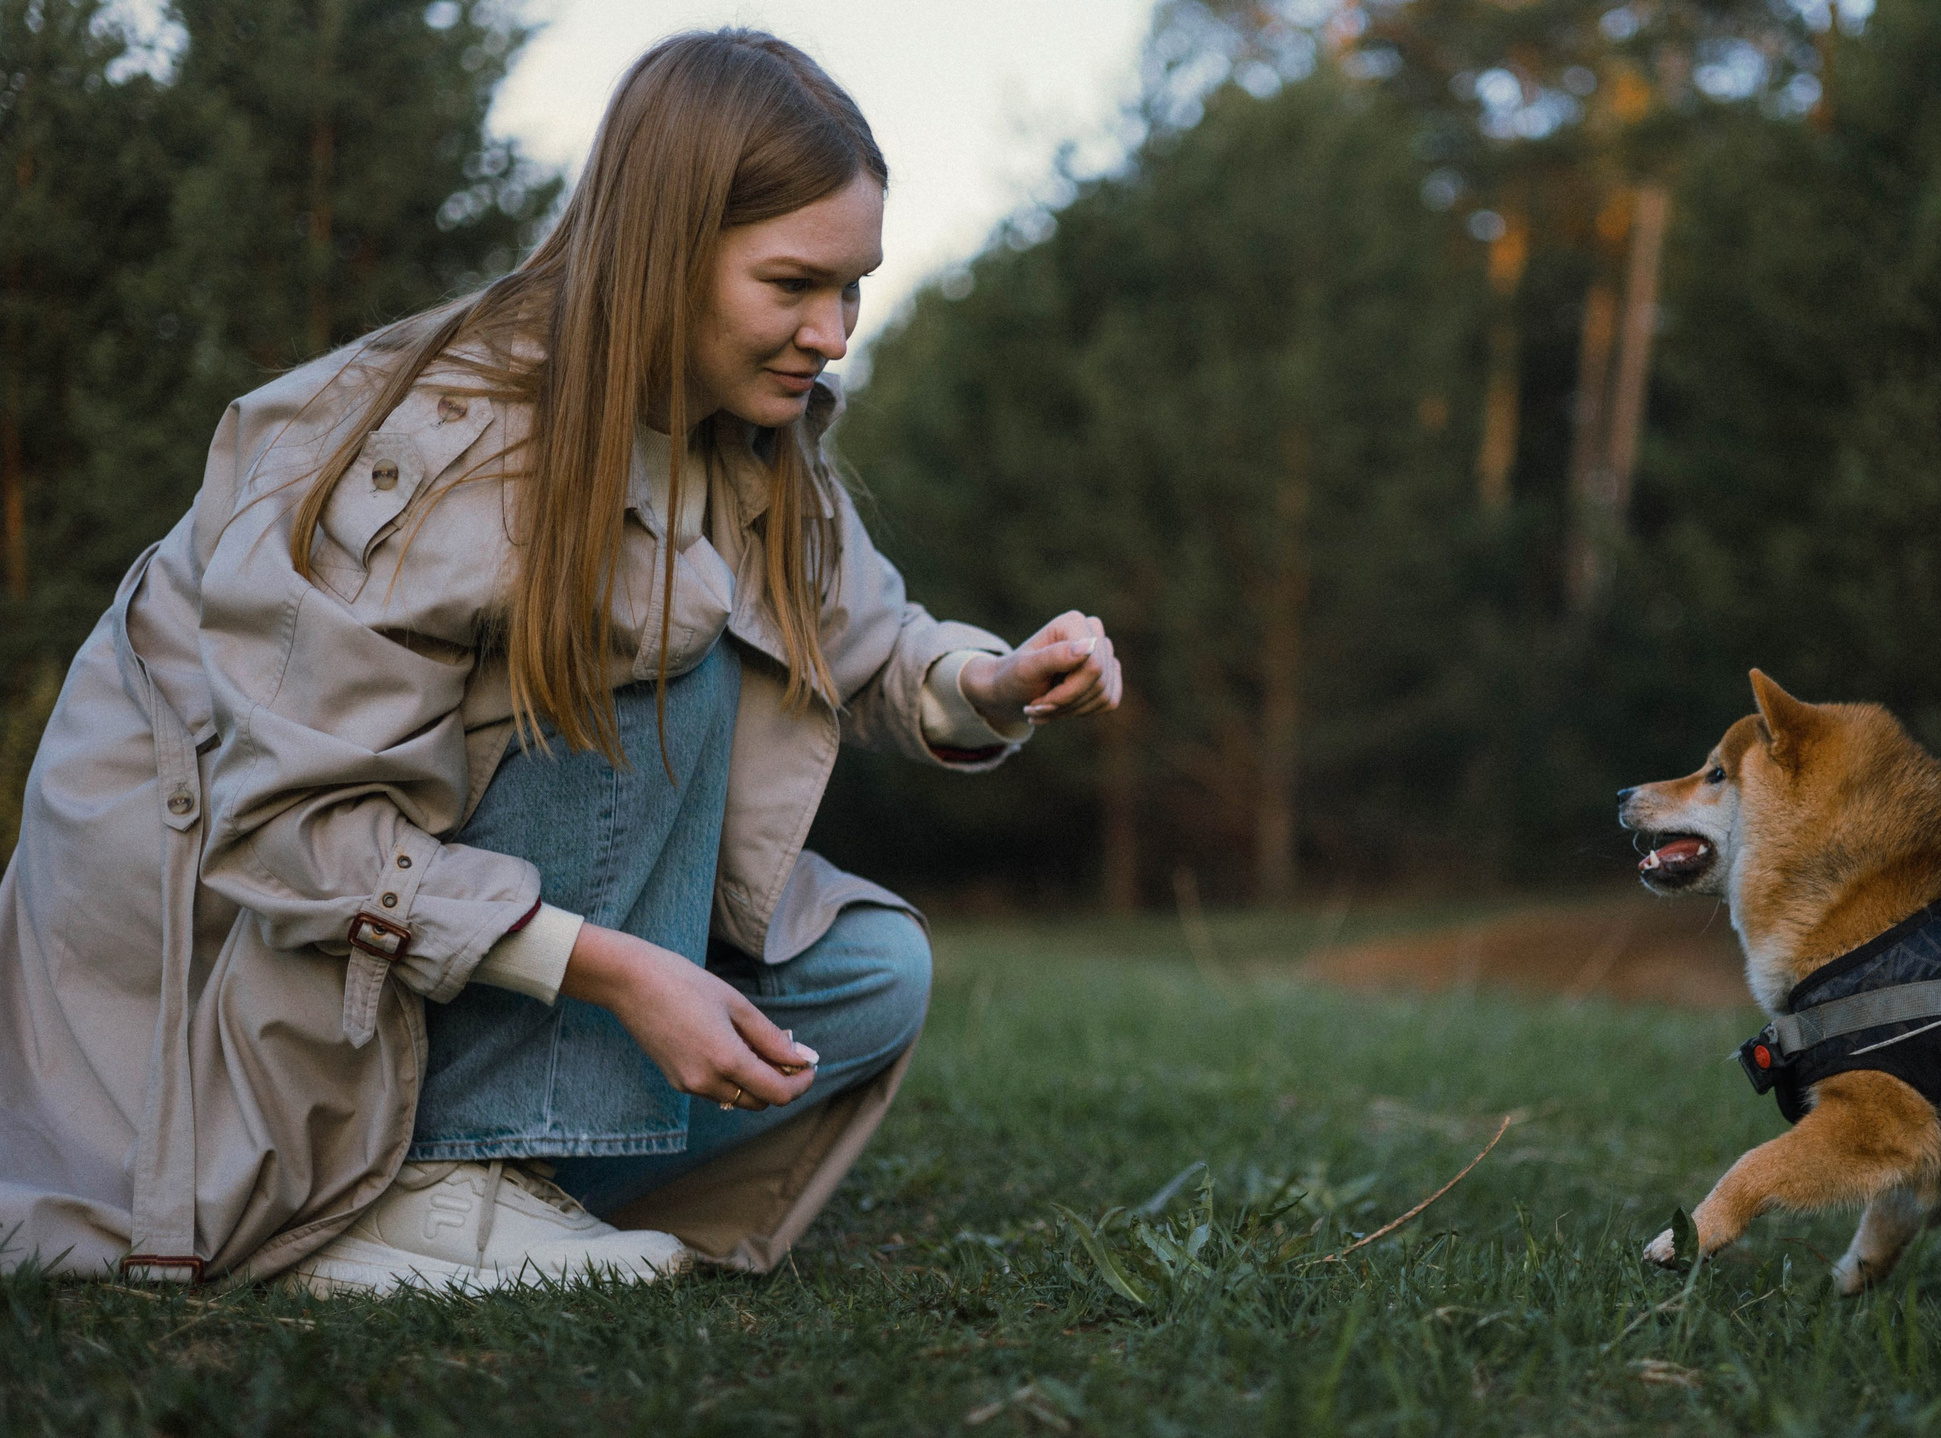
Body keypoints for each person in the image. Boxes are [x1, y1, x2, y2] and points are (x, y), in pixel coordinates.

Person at [0, 30, 1121, 1295]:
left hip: (449, 963)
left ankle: (508, 1178)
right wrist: (622, 972)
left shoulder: (739, 430)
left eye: (853, 286)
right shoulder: (439, 446)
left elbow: (865, 634)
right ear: (664, 253)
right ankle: (410, 1190)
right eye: (794, 283)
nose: (835, 332)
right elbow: (295, 831)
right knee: (665, 664)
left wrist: (991, 682)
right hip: (233, 983)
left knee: (871, 977)